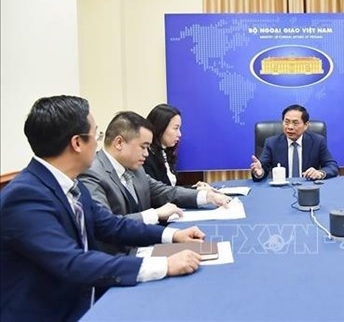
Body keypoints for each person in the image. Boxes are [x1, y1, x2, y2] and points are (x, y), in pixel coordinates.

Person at [0, 95, 206, 322]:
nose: (99, 143)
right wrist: (164, 265)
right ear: (77, 143)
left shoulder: (71, 184)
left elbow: (111, 225)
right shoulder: (25, 197)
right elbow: (72, 262)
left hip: (86, 300)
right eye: (96, 135)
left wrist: (173, 235)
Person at [79, 111, 231, 252]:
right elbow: (107, 225)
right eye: (143, 147)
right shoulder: (91, 174)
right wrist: (155, 214)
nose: (146, 154)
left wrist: (206, 197)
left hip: (146, 246)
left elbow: (165, 192)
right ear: (119, 143)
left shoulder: (135, 168)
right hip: (118, 258)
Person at [250, 104, 339, 181]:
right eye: (286, 122)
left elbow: (332, 166)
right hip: (281, 190)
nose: (290, 127)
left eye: (295, 123)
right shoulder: (272, 143)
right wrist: (260, 173)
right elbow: (262, 168)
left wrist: (320, 173)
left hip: (308, 188)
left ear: (306, 125)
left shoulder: (318, 141)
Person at [143, 103, 210, 189]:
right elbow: (160, 194)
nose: (179, 134)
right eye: (175, 128)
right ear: (160, 127)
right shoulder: (146, 158)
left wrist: (195, 188)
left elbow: (172, 189)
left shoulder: (165, 153)